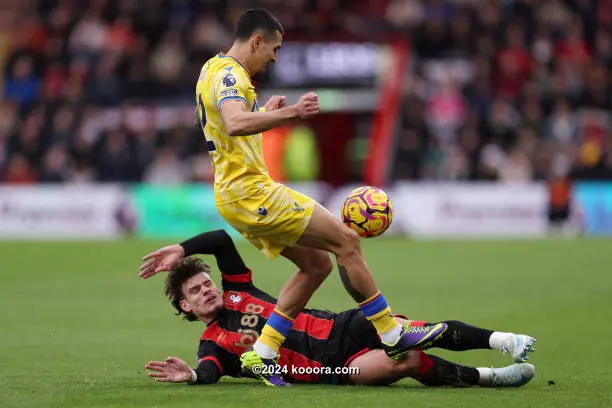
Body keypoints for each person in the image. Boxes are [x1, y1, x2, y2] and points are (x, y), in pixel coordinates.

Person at [193, 7, 445, 386]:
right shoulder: (230, 73)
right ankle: (391, 332)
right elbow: (234, 122)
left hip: (234, 196)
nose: (275, 57)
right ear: (256, 40)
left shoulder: (212, 69)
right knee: (346, 240)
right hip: (251, 192)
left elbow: (230, 127)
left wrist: (265, 112)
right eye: (274, 49)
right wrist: (291, 113)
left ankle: (261, 353)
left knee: (317, 266)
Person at [140, 230, 536, 387]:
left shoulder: (239, 290)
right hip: (328, 369)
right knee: (406, 362)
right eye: (197, 290)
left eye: (207, 282)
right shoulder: (213, 344)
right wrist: (191, 375)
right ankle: (489, 378)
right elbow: (210, 372)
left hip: (341, 327)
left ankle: (504, 340)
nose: (208, 290)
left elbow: (223, 240)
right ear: (185, 305)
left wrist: (183, 250)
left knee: (413, 330)